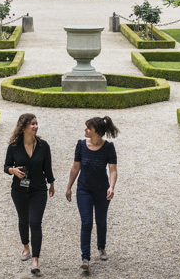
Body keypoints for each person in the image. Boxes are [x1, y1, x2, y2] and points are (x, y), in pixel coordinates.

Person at [4, 113, 55, 276]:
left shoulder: (43, 145)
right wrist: (13, 170)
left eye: (36, 123)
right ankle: (26, 246)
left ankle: (35, 260)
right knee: (23, 220)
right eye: (32, 124)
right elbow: (6, 166)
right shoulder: (13, 147)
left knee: (35, 222)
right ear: (24, 126)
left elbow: (48, 167)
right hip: (19, 189)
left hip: (39, 189)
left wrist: (52, 183)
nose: (35, 126)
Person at [65, 116, 119, 271]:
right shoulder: (81, 145)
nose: (85, 130)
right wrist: (69, 187)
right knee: (86, 222)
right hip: (84, 189)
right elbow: (75, 167)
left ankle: (101, 247)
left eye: (88, 128)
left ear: (97, 131)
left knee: (101, 221)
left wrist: (111, 186)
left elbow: (113, 169)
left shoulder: (108, 147)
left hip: (102, 190)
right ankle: (85, 257)